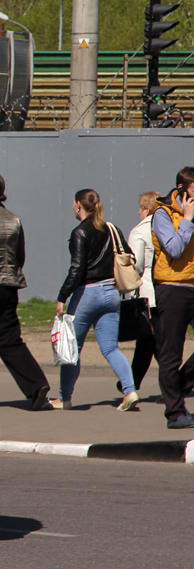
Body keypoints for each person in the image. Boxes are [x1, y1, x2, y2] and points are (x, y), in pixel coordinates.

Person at [52, 188, 140, 412]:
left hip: (86, 295)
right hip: (111, 293)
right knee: (110, 348)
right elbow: (129, 255)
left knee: (73, 349)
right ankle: (130, 391)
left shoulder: (79, 233)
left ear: (79, 206)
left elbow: (77, 269)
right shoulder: (111, 228)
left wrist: (62, 297)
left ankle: (64, 398)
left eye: (74, 203)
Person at [0, 173, 51, 410]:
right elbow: (20, 255)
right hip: (9, 284)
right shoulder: (14, 219)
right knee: (9, 340)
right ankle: (36, 384)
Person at [149, 169, 194, 429]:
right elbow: (175, 250)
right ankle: (175, 413)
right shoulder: (162, 215)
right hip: (173, 288)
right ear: (181, 188)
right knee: (171, 354)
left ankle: (178, 385)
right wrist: (188, 220)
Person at [125, 191, 160, 392]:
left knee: (154, 341)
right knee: (146, 342)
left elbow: (136, 264)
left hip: (146, 294)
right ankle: (130, 382)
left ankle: (172, 385)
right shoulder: (165, 226)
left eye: (140, 208)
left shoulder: (139, 231)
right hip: (162, 289)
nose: (138, 212)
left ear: (146, 209)